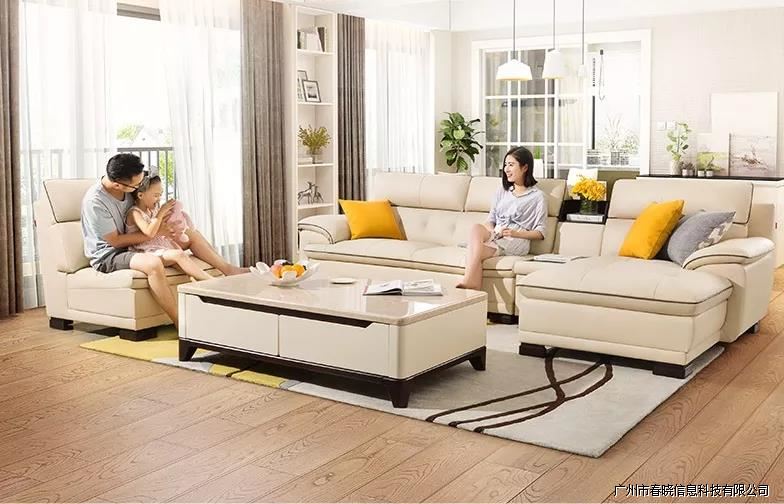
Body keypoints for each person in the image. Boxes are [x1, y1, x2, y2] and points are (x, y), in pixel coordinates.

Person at [81, 153, 247, 327]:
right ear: (118, 185)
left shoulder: (130, 185)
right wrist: (156, 232)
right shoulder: (96, 202)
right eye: (136, 186)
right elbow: (115, 241)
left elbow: (149, 206)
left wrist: (168, 221)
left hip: (144, 241)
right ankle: (179, 321)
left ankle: (228, 270)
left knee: (191, 234)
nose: (139, 187)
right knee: (153, 264)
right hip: (110, 254)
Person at [457, 146, 547, 291]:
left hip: (515, 240)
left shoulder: (537, 197)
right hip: (496, 235)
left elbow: (541, 232)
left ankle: (469, 281)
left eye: (511, 165)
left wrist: (515, 233)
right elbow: (490, 219)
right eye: (505, 165)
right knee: (476, 228)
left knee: (473, 250)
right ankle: (473, 285)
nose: (506, 169)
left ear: (525, 167)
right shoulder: (502, 191)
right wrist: (492, 232)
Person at [126, 175, 212, 282]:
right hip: (145, 251)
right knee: (179, 255)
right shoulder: (135, 213)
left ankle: (203, 282)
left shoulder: (152, 210)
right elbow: (149, 232)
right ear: (140, 195)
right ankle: (211, 281)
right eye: (156, 195)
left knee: (186, 268)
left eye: (160, 195)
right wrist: (161, 212)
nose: (159, 199)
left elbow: (160, 226)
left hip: (159, 246)